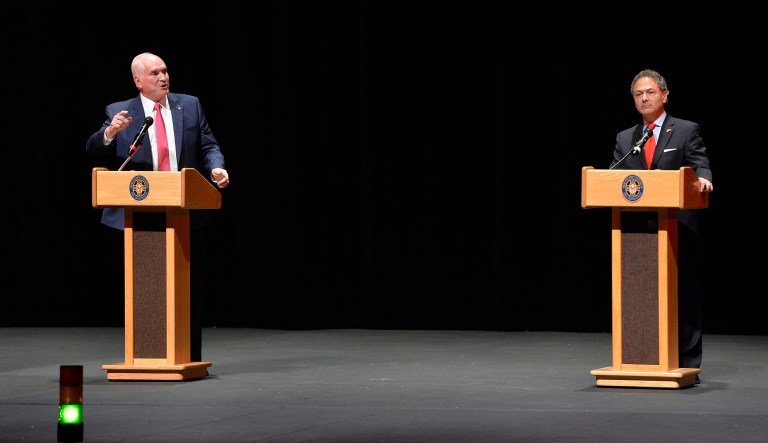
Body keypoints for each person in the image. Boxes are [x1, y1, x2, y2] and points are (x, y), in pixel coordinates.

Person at [86, 52, 230, 363]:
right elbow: (94, 147)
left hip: (184, 210)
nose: (163, 77)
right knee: (147, 286)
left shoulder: (188, 105)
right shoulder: (119, 111)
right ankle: (145, 355)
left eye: (165, 71)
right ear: (138, 80)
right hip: (138, 214)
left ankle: (188, 357)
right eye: (154, 73)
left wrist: (217, 168)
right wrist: (111, 132)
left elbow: (208, 144)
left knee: (189, 288)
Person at [609, 68, 713, 383]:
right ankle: (643, 358)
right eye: (638, 94)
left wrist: (704, 178)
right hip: (638, 233)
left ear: (664, 95)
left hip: (678, 228)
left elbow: (699, 163)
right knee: (641, 294)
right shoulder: (626, 138)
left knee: (684, 295)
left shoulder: (685, 130)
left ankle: (687, 362)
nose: (644, 98)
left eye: (650, 92)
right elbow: (614, 179)